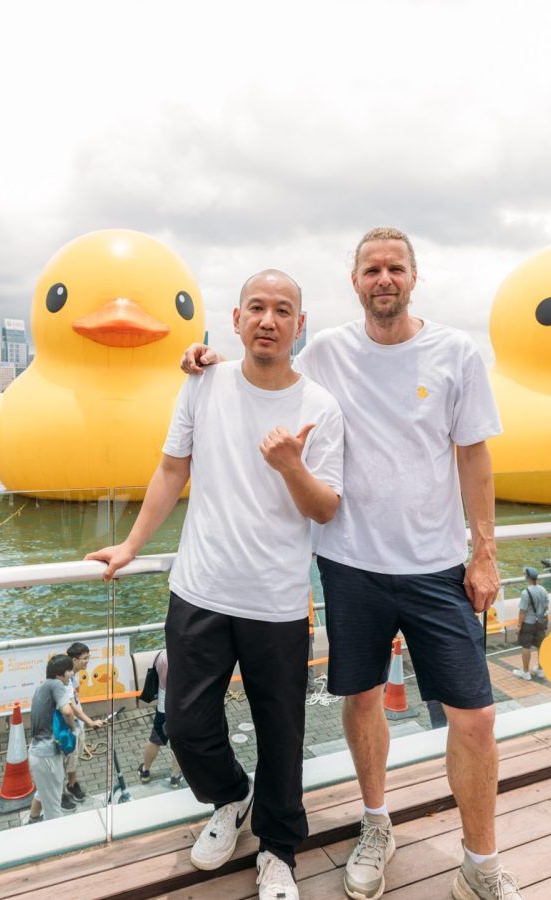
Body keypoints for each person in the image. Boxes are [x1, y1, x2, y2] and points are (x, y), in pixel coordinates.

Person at [181, 228, 518, 899]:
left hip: (436, 567)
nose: (383, 278)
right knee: (361, 703)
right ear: (356, 281)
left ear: (413, 278)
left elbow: (475, 459)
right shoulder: (329, 350)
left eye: (395, 267)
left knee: (475, 719)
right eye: (371, 269)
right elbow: (265, 366)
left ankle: (480, 864)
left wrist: (485, 554)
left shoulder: (454, 352)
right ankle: (375, 823)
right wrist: (206, 359)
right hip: (350, 565)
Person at [93, 268, 344, 899]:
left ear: (299, 325)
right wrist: (129, 546)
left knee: (281, 733)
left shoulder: (320, 407)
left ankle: (280, 849)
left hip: (278, 601)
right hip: (199, 589)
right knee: (184, 722)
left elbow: (326, 509)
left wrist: (290, 465)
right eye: (256, 307)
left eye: (283, 310)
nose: (268, 319)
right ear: (234, 321)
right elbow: (172, 469)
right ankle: (231, 798)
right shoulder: (204, 382)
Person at [26, 654, 77, 824]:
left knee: (44, 791)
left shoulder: (41, 688)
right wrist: (73, 728)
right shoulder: (57, 685)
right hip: (47, 756)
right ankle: (57, 842)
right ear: (60, 674)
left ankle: (33, 820)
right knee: (54, 808)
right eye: (70, 670)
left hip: (36, 752)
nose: (72, 674)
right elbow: (68, 711)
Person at [62, 642, 103, 804]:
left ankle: (72, 784)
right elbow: (71, 706)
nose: (88, 661)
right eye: (85, 658)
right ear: (74, 659)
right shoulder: (65, 677)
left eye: (88, 657)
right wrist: (90, 721)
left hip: (77, 724)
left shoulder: (75, 674)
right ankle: (59, 794)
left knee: (75, 757)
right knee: (64, 761)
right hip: (68, 726)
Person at [138, 649, 184, 787]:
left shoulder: (162, 656)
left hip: (164, 707)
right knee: (180, 744)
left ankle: (145, 771)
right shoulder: (189, 655)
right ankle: (175, 777)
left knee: (156, 740)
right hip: (183, 707)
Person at [514, 567, 550, 681]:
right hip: (540, 622)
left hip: (528, 624)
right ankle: (540, 670)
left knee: (526, 646)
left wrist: (519, 626)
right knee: (541, 646)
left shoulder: (526, 593)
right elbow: (546, 607)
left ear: (527, 577)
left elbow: (522, 611)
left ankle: (525, 672)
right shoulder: (543, 590)